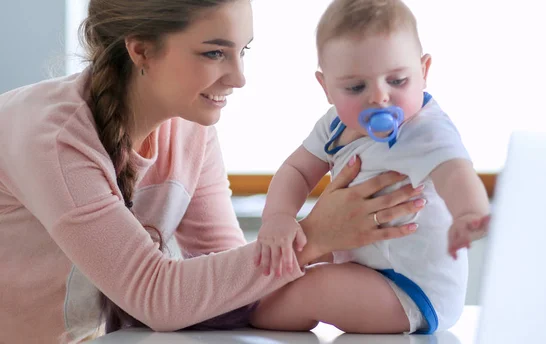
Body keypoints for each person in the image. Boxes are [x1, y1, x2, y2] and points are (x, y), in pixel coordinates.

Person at [0, 0, 426, 343]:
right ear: (141, 49)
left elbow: (229, 283)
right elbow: (157, 296)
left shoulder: (189, 128)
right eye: (214, 52)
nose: (240, 78)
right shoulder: (54, 136)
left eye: (243, 51)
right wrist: (313, 236)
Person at [250, 0, 491, 335]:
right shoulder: (333, 125)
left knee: (314, 288)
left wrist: (470, 213)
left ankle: (248, 320)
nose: (380, 97)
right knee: (290, 277)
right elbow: (297, 170)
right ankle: (251, 313)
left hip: (412, 290)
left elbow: (455, 171)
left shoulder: (425, 128)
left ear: (424, 71)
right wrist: (278, 216)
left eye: (397, 80)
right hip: (365, 269)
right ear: (326, 87)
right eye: (355, 87)